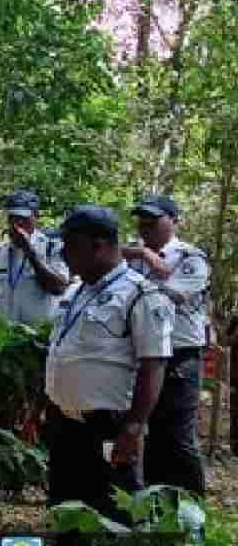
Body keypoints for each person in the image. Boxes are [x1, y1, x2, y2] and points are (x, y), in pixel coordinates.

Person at [44, 205, 172, 527]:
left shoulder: (140, 294)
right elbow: (59, 352)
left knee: (114, 513)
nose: (64, 254)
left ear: (98, 245)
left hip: (109, 425)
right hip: (64, 422)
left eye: (71, 246)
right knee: (66, 507)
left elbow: (153, 365)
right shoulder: (75, 292)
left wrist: (133, 427)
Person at [123, 194, 209, 495]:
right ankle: (158, 502)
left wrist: (145, 257)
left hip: (180, 355)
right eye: (142, 218)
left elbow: (171, 295)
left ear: (173, 221)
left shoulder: (191, 258)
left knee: (178, 437)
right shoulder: (131, 255)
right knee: (152, 431)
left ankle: (193, 509)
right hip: (145, 353)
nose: (145, 224)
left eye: (154, 218)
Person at [0, 189, 70, 324]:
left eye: (23, 218)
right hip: (6, 338)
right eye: (12, 218)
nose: (17, 224)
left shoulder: (52, 248)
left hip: (39, 339)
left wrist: (29, 250)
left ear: (35, 217)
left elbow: (58, 288)